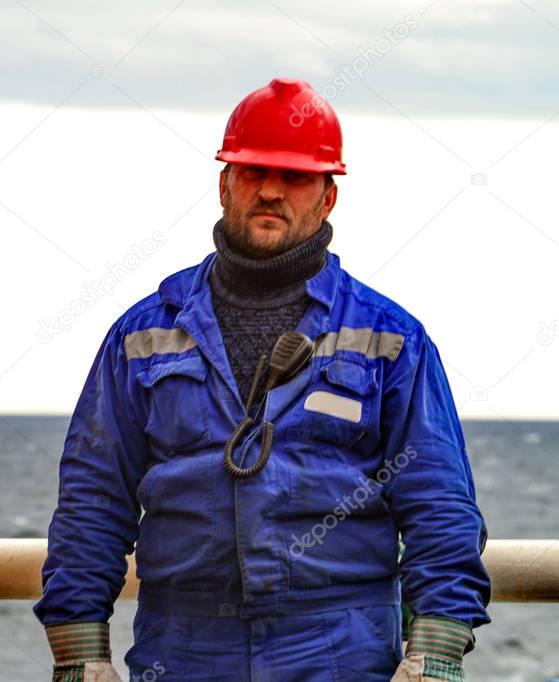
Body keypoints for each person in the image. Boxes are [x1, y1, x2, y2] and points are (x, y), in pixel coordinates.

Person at [33, 78, 491, 681]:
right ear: (224, 184)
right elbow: (94, 499)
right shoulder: (141, 335)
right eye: (253, 172)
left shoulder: (390, 338)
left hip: (341, 650)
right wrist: (78, 652)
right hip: (181, 648)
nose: (271, 190)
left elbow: (438, 502)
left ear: (328, 199)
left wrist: (435, 652)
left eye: (296, 177)